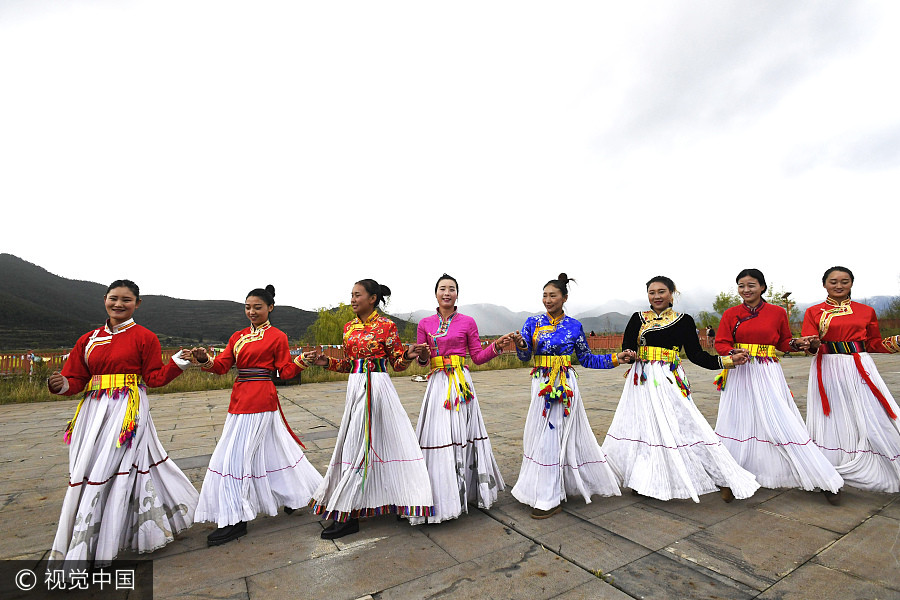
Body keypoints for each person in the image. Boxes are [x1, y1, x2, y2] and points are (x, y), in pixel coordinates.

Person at [47, 280, 198, 564]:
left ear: (137, 304)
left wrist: (177, 364)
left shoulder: (145, 337)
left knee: (114, 467)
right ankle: (97, 534)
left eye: (126, 300)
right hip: (92, 413)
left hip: (128, 409)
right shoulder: (88, 339)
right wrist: (61, 383)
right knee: (89, 467)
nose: (119, 304)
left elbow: (153, 378)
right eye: (114, 298)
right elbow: (77, 379)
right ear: (104, 299)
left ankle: (106, 541)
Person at [602, 275, 760, 503]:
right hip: (642, 379)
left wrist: (727, 361)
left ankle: (722, 476)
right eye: (652, 292)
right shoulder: (638, 318)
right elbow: (627, 345)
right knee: (643, 427)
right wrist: (628, 354)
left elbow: (696, 355)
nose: (656, 296)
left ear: (671, 293)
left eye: (661, 291)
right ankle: (643, 478)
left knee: (685, 425)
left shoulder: (684, 320)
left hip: (667, 378)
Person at [189, 285, 324, 546]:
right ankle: (296, 495)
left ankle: (235, 520)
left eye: (257, 307)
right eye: (248, 307)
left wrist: (302, 362)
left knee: (234, 460)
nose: (251, 311)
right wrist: (205, 358)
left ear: (270, 308)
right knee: (276, 451)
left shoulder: (277, 336)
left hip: (261, 398)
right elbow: (221, 367)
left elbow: (284, 371)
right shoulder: (237, 336)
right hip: (240, 398)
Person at [308, 279, 433, 539]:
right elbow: (348, 364)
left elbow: (396, 363)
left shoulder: (387, 326)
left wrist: (408, 356)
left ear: (372, 298)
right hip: (356, 388)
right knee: (357, 444)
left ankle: (366, 508)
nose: (352, 300)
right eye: (351, 295)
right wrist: (326, 362)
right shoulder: (348, 328)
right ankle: (355, 507)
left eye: (357, 295)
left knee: (382, 443)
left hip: (378, 387)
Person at [713, 269, 843, 502]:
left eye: (751, 285)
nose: (746, 290)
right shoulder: (731, 314)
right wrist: (732, 353)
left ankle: (822, 478)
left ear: (762, 287)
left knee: (782, 420)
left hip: (767, 370)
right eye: (741, 286)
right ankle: (730, 479)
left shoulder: (777, 312)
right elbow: (722, 342)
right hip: (740, 372)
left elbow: (784, 342)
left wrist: (798, 343)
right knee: (736, 420)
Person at [510, 273, 632, 519]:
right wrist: (521, 345)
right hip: (542, 382)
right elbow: (523, 357)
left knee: (556, 436)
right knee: (542, 436)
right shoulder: (531, 322)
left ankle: (549, 496)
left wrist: (616, 359)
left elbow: (586, 358)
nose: (547, 299)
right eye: (544, 295)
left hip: (566, 384)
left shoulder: (574, 326)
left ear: (564, 298)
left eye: (552, 295)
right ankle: (546, 488)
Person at [412, 274, 513, 524]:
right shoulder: (424, 323)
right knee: (438, 436)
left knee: (462, 435)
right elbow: (421, 361)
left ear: (457, 294)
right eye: (443, 288)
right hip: (437, 384)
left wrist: (497, 347)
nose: (447, 292)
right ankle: (439, 495)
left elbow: (477, 357)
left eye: (452, 289)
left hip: (461, 384)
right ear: (435, 293)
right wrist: (422, 355)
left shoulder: (468, 322)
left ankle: (464, 492)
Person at [803, 266, 900, 493]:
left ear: (851, 284)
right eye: (833, 281)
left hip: (859, 365)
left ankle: (884, 464)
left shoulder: (866, 311)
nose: (839, 286)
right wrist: (810, 344)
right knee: (831, 418)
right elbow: (810, 343)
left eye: (844, 281)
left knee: (873, 412)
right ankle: (829, 475)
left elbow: (874, 343)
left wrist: (896, 341)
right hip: (827, 366)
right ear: (824, 284)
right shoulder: (813, 312)